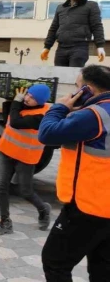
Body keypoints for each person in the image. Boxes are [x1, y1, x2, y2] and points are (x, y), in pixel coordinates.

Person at [38, 65, 110, 281]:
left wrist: (58, 108)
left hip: (88, 206)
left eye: (77, 87)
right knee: (102, 269)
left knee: (55, 262)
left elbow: (48, 133)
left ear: (87, 90)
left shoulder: (94, 115)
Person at [0, 85, 52, 235]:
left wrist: (16, 103)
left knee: (25, 191)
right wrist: (11, 102)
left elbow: (16, 123)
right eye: (28, 94)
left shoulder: (42, 116)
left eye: (32, 98)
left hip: (26, 156)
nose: (27, 98)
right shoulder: (21, 106)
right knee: (1, 186)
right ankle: (5, 222)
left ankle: (43, 209)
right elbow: (8, 119)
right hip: (7, 151)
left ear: (41, 101)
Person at [42, 0, 105, 67]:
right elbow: (54, 28)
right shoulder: (61, 8)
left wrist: (100, 46)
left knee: (73, 75)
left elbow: (97, 26)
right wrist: (47, 47)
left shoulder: (91, 6)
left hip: (80, 47)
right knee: (59, 76)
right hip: (61, 48)